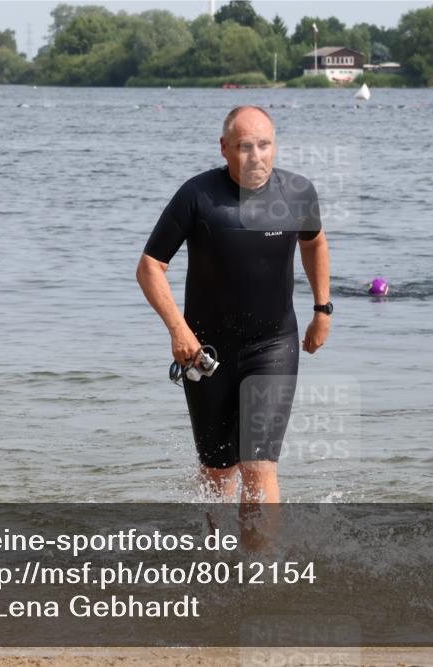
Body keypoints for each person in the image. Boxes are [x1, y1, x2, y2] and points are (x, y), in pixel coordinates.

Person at [136, 105, 331, 507]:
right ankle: (217, 563)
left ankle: (260, 569)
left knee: (259, 468)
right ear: (224, 148)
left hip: (273, 346)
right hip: (206, 350)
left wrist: (322, 310)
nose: (256, 155)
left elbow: (314, 243)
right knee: (217, 475)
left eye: (264, 145)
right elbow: (150, 267)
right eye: (245, 146)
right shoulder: (197, 196)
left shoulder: (297, 193)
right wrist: (179, 329)